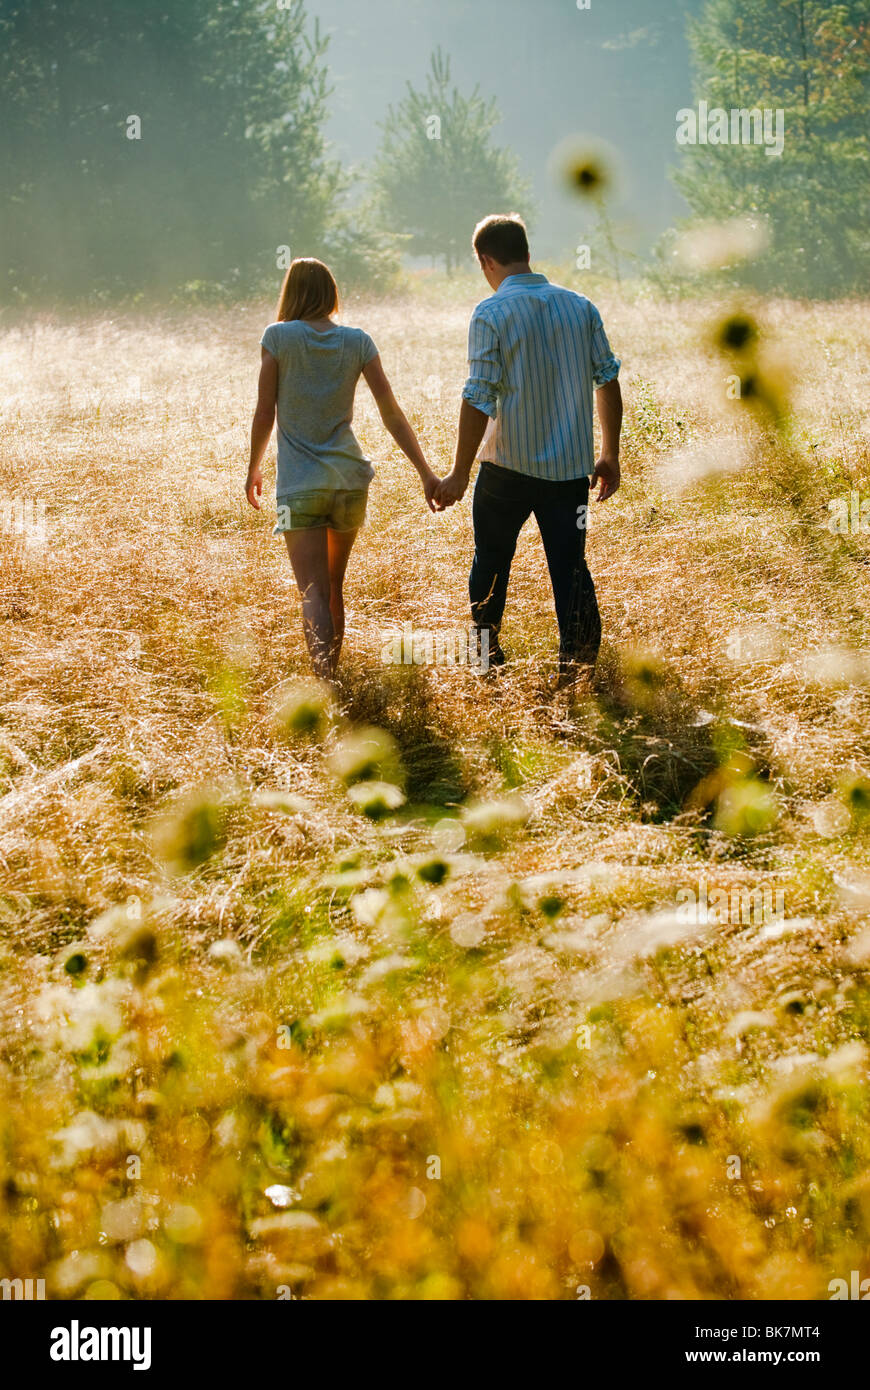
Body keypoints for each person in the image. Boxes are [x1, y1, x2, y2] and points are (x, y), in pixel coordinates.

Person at [435, 213, 623, 685]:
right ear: (527, 253)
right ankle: (577, 671)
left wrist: (458, 474)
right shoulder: (580, 306)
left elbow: (478, 394)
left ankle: (486, 663)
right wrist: (610, 453)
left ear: (486, 260)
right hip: (568, 474)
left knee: (491, 564)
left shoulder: (491, 312)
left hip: (506, 470)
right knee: (570, 569)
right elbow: (608, 377)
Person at [245, 257, 440, 679]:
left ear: (291, 293)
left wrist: (254, 468)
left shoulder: (277, 337)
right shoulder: (358, 341)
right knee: (334, 586)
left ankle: (325, 684)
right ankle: (332, 674)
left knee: (311, 590)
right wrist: (425, 472)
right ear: (331, 293)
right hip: (350, 482)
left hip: (298, 486)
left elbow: (265, 412)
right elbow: (392, 413)